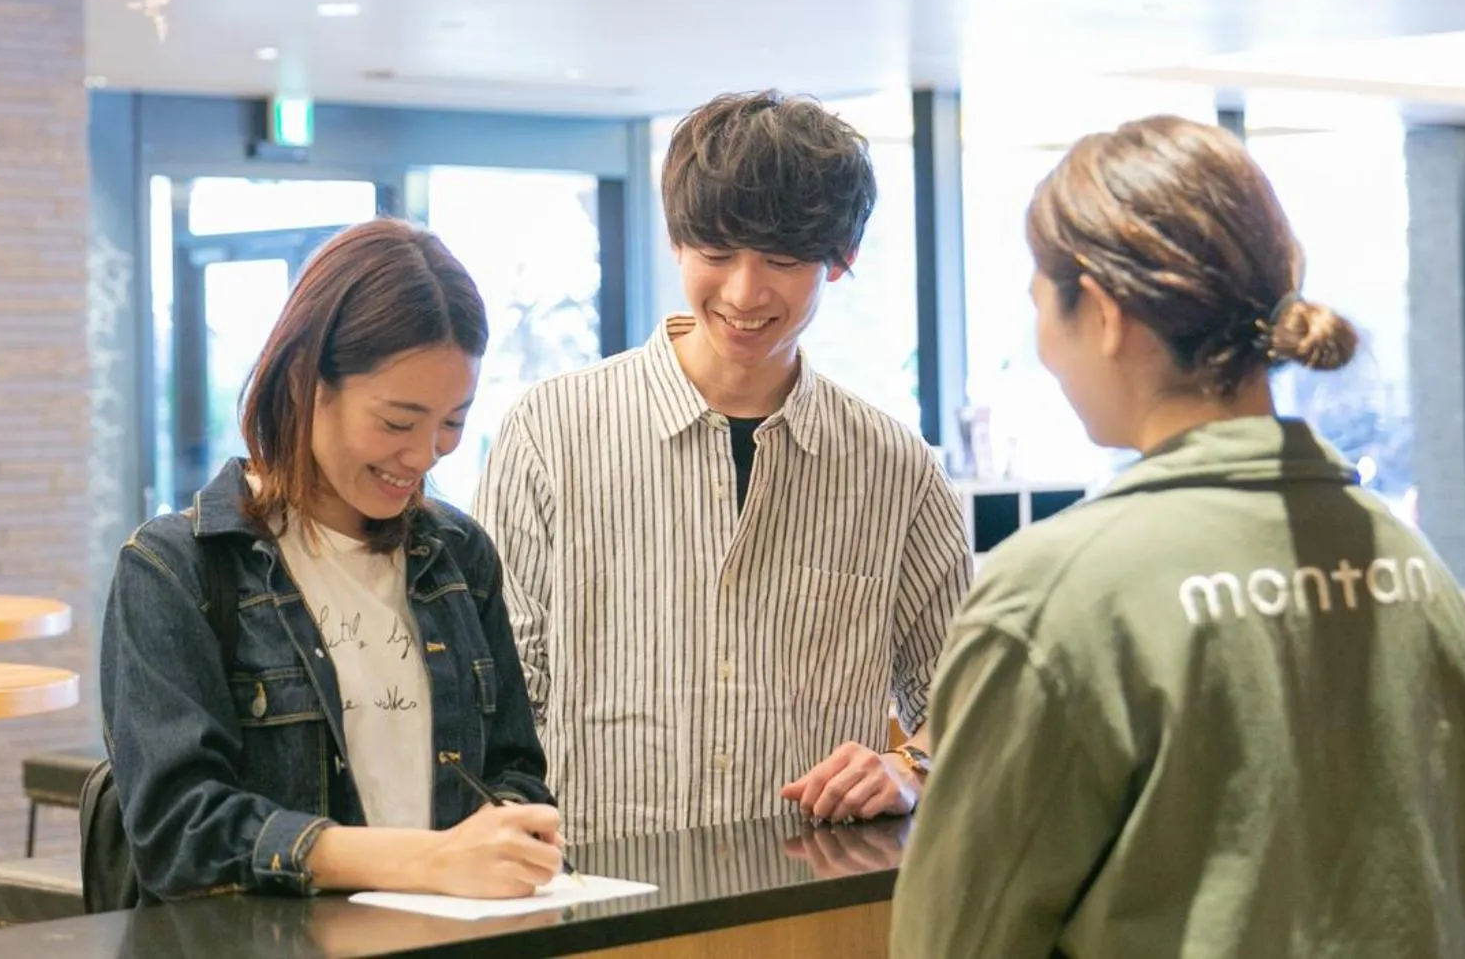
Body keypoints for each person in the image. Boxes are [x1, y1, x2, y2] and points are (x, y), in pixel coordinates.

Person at [891, 115, 1465, 958]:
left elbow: (953, 940)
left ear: (1100, 311)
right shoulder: (1408, 565)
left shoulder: (1059, 595)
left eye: (1041, 307)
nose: (1044, 351)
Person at [478, 90, 972, 843]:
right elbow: (500, 695)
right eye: (716, 255)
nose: (744, 293)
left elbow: (967, 694)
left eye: (781, 260)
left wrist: (910, 766)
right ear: (677, 242)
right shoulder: (549, 432)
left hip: (804, 898)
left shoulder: (893, 466)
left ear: (840, 259)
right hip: (595, 893)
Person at [100, 219, 563, 902]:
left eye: (453, 422)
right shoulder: (176, 569)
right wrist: (423, 860)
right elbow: (181, 833)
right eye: (398, 421)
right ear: (303, 384)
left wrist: (513, 831)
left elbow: (512, 766)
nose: (425, 453)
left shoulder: (458, 555)